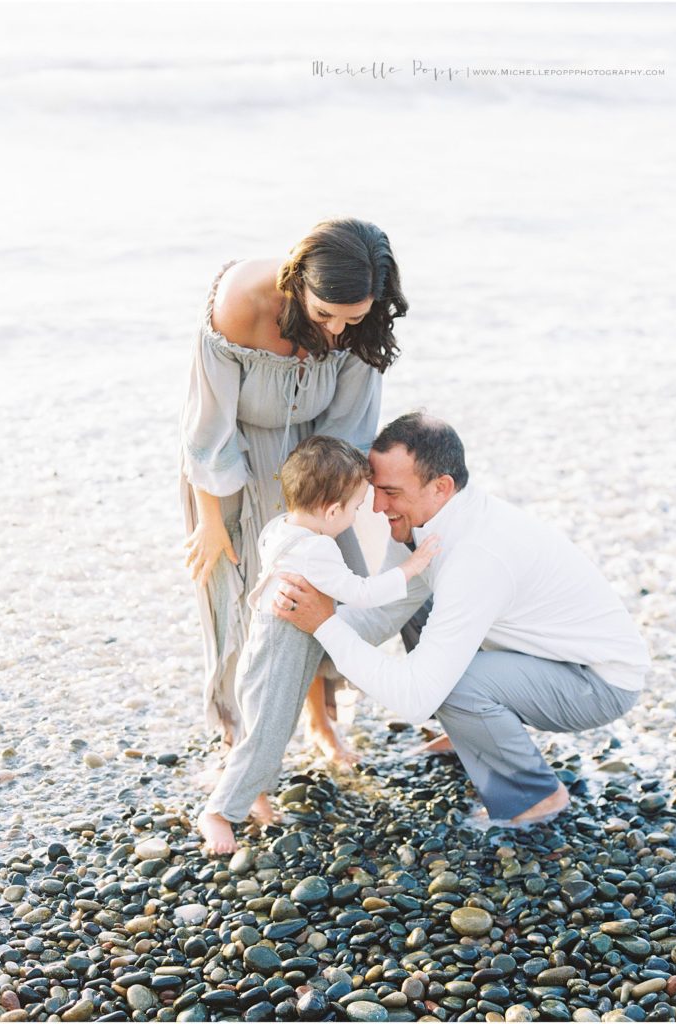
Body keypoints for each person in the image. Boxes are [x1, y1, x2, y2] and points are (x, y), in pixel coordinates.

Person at [275, 412, 651, 828]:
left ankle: (533, 795)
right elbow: (382, 611)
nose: (378, 507)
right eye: (375, 490)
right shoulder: (428, 521)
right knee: (406, 594)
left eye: (390, 493)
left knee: (450, 684)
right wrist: (293, 632)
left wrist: (325, 624)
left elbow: (415, 698)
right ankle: (473, 733)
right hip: (539, 653)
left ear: (442, 487)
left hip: (596, 681)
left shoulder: (476, 556)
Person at [180, 218, 407, 769]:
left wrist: (327, 510)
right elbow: (209, 432)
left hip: (319, 470)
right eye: (324, 313)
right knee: (241, 599)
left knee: (317, 590)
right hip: (234, 464)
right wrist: (212, 521)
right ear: (296, 280)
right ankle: (242, 746)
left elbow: (349, 427)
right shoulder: (241, 303)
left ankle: (318, 720)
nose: (334, 331)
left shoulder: (360, 321)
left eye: (350, 319)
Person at [198, 436, 438, 853]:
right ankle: (218, 813)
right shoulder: (319, 549)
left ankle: (253, 792)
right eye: (355, 508)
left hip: (274, 648)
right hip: (279, 658)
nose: (357, 516)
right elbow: (362, 593)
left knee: (268, 732)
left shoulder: (280, 528)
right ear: (331, 511)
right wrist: (412, 566)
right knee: (267, 735)